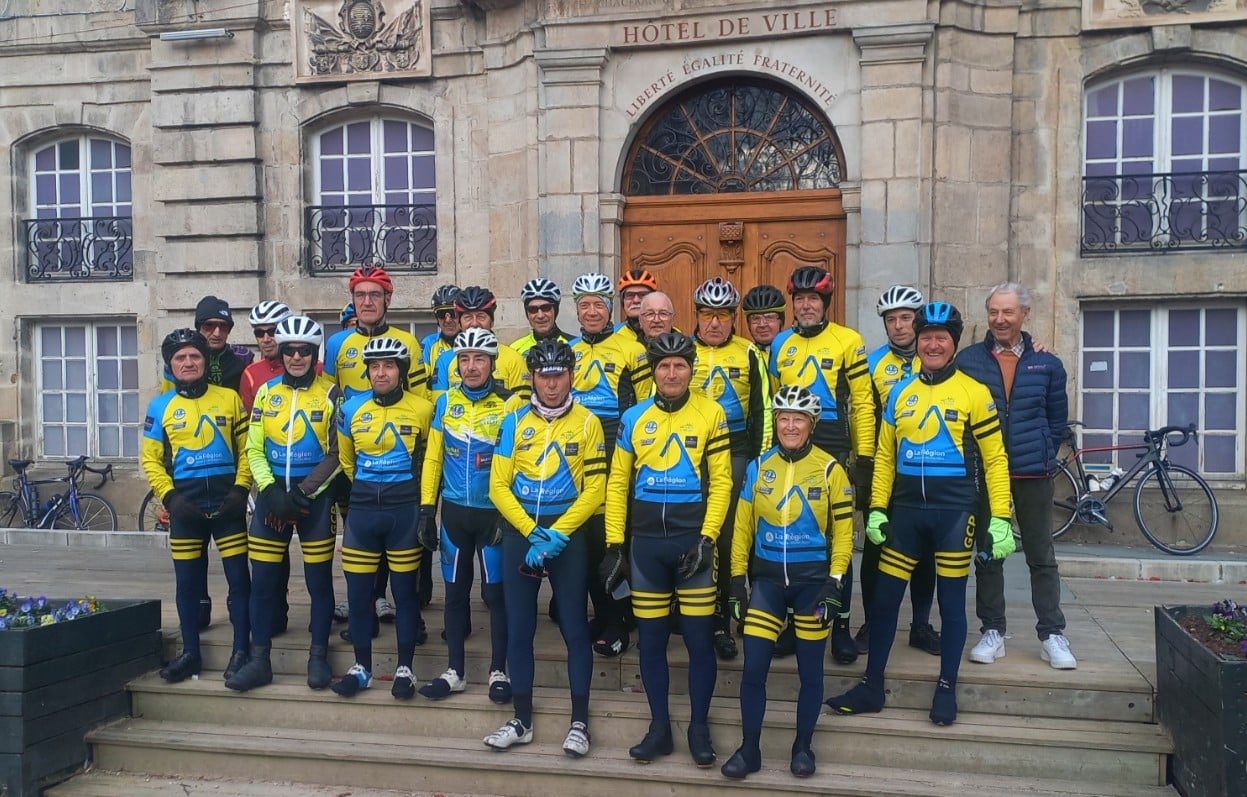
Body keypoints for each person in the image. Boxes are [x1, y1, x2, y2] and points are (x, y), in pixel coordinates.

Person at [826, 302, 1014, 726]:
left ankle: (946, 687)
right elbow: (885, 458)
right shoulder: (900, 393)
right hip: (906, 512)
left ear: (953, 343)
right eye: (926, 336)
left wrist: (1000, 517)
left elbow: (996, 459)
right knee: (885, 604)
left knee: (950, 606)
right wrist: (875, 510)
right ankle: (872, 686)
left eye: (940, 338)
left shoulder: (974, 391)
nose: (931, 344)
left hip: (954, 514)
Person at [602, 331, 732, 767]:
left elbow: (723, 482)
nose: (672, 373)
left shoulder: (711, 413)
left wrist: (708, 537)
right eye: (664, 366)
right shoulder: (634, 417)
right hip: (646, 548)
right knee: (652, 642)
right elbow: (617, 482)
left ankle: (699, 726)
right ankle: (659, 728)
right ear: (653, 373)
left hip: (691, 543)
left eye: (680, 365)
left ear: (691, 370)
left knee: (698, 641)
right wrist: (615, 543)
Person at [721, 385, 854, 780]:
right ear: (775, 422)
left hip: (812, 583)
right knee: (753, 670)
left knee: (811, 673)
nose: (790, 425)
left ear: (811, 425)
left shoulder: (831, 469)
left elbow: (845, 534)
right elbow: (742, 528)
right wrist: (736, 580)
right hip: (766, 583)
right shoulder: (758, 467)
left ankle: (802, 747)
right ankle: (749, 750)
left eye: (798, 419)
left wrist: (835, 583)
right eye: (783, 418)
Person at [484, 340, 606, 755]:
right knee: (520, 629)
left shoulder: (589, 422)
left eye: (558, 375)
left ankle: (580, 723)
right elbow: (497, 486)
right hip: (523, 535)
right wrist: (532, 531)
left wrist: (558, 534)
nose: (552, 385)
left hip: (567, 536)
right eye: (544, 376)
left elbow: (596, 490)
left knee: (574, 627)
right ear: (532, 378)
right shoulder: (513, 421)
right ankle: (522, 719)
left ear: (570, 375)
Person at [955, 283, 1076, 670]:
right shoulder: (968, 361)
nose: (1000, 319)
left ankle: (1052, 634)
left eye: (1008, 312)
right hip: (984, 475)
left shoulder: (1047, 363)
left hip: (1032, 473)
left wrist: (1042, 450)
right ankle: (993, 630)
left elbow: (1057, 421)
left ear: (1024, 314)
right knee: (989, 554)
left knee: (1041, 555)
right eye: (993, 311)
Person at [228, 316, 342, 693]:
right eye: (289, 350)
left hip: (315, 498)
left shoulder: (331, 393)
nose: (295, 357)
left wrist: (303, 493)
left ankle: (318, 656)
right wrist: (270, 490)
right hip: (271, 496)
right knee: (262, 583)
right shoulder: (266, 392)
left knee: (318, 583)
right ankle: (260, 660)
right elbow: (254, 447)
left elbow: (337, 453)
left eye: (303, 351)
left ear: (314, 353)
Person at [768, 265, 873, 665]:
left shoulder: (848, 341)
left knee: (836, 543)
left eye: (814, 298)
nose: (807, 305)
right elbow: (774, 404)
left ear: (825, 303)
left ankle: (841, 627)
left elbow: (862, 401)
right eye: (800, 299)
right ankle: (796, 625)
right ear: (792, 304)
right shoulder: (780, 343)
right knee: (796, 533)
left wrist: (863, 458)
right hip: (790, 446)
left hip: (834, 449)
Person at [141, 329, 252, 684]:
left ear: (205, 361)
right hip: (185, 506)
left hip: (227, 503)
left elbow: (248, 449)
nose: (188, 363)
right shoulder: (160, 406)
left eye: (195, 356)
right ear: (170, 365)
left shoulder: (229, 399)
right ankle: (190, 653)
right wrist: (170, 497)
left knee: (239, 581)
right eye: (180, 358)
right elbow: (150, 459)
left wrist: (240, 489)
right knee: (188, 583)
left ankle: (240, 652)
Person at [323, 266, 426, 633]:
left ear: (388, 299)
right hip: (355, 450)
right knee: (360, 534)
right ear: (352, 300)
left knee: (407, 537)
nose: (367, 301)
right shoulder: (337, 344)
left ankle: (409, 612)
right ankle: (364, 606)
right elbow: (330, 397)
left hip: (399, 453)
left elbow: (418, 400)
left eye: (375, 295)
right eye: (360, 295)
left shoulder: (408, 342)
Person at [332, 337, 433, 699]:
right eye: (374, 366)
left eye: (389, 365)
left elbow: (428, 461)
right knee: (359, 597)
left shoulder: (423, 408)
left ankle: (405, 667)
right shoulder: (351, 408)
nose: (380, 372)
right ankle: (361, 667)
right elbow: (346, 460)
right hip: (361, 512)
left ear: (401, 371)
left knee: (405, 595)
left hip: (403, 510)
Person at [418, 328, 513, 703]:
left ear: (492, 363)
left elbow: (516, 464)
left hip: (494, 515)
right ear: (456, 364)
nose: (471, 366)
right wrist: (428, 509)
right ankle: (455, 670)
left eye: (479, 359)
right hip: (455, 514)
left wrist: (511, 514)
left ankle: (498, 670)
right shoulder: (445, 403)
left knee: (495, 595)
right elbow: (433, 458)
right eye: (464, 359)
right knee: (455, 594)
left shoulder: (509, 405)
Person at [568, 272, 650, 656]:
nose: (591, 311)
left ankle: (618, 621)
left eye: (599, 304)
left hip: (618, 443)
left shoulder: (631, 348)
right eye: (584, 305)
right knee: (583, 541)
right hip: (577, 448)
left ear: (610, 308)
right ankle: (599, 614)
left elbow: (647, 405)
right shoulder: (568, 349)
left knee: (612, 539)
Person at [857, 286, 940, 657]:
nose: (898, 325)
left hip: (927, 468)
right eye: (891, 319)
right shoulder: (873, 363)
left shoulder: (937, 358)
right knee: (876, 547)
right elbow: (861, 411)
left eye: (905, 317)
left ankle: (920, 624)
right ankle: (873, 621)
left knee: (924, 550)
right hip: (883, 466)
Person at [689, 276, 767, 661]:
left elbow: (763, 410)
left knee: (725, 535)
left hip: (736, 451)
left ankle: (724, 614)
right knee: (691, 530)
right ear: (697, 316)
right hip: (689, 454)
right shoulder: (682, 350)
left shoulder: (750, 352)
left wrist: (760, 461)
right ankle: (688, 610)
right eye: (707, 314)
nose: (715, 323)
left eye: (723, 315)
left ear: (733, 318)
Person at [429, 286, 530, 401]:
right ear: (459, 323)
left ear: (492, 321)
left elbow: (521, 411)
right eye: (467, 317)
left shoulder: (514, 359)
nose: (474, 323)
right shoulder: (444, 360)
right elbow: (439, 406)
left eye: (481, 317)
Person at [239, 301, 293, 414]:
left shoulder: (316, 367)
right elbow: (249, 423)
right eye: (259, 333)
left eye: (272, 331)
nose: (266, 339)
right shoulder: (251, 373)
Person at [511, 278, 570, 355]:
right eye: (533, 309)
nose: (540, 315)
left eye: (546, 308)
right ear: (527, 313)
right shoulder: (515, 350)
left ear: (555, 311)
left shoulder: (573, 345)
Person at [419, 284, 460, 370]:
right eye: (442, 314)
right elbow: (422, 378)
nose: (448, 320)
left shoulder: (474, 343)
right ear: (437, 318)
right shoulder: (429, 343)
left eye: (453, 313)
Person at [615, 268, 659, 345]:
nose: (636, 300)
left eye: (642, 295)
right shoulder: (612, 335)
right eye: (630, 295)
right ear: (623, 301)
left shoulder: (670, 332)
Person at [741, 284, 787, 356]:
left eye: (769, 317)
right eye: (756, 318)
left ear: (781, 321)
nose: (762, 324)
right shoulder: (743, 356)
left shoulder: (794, 354)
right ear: (748, 324)